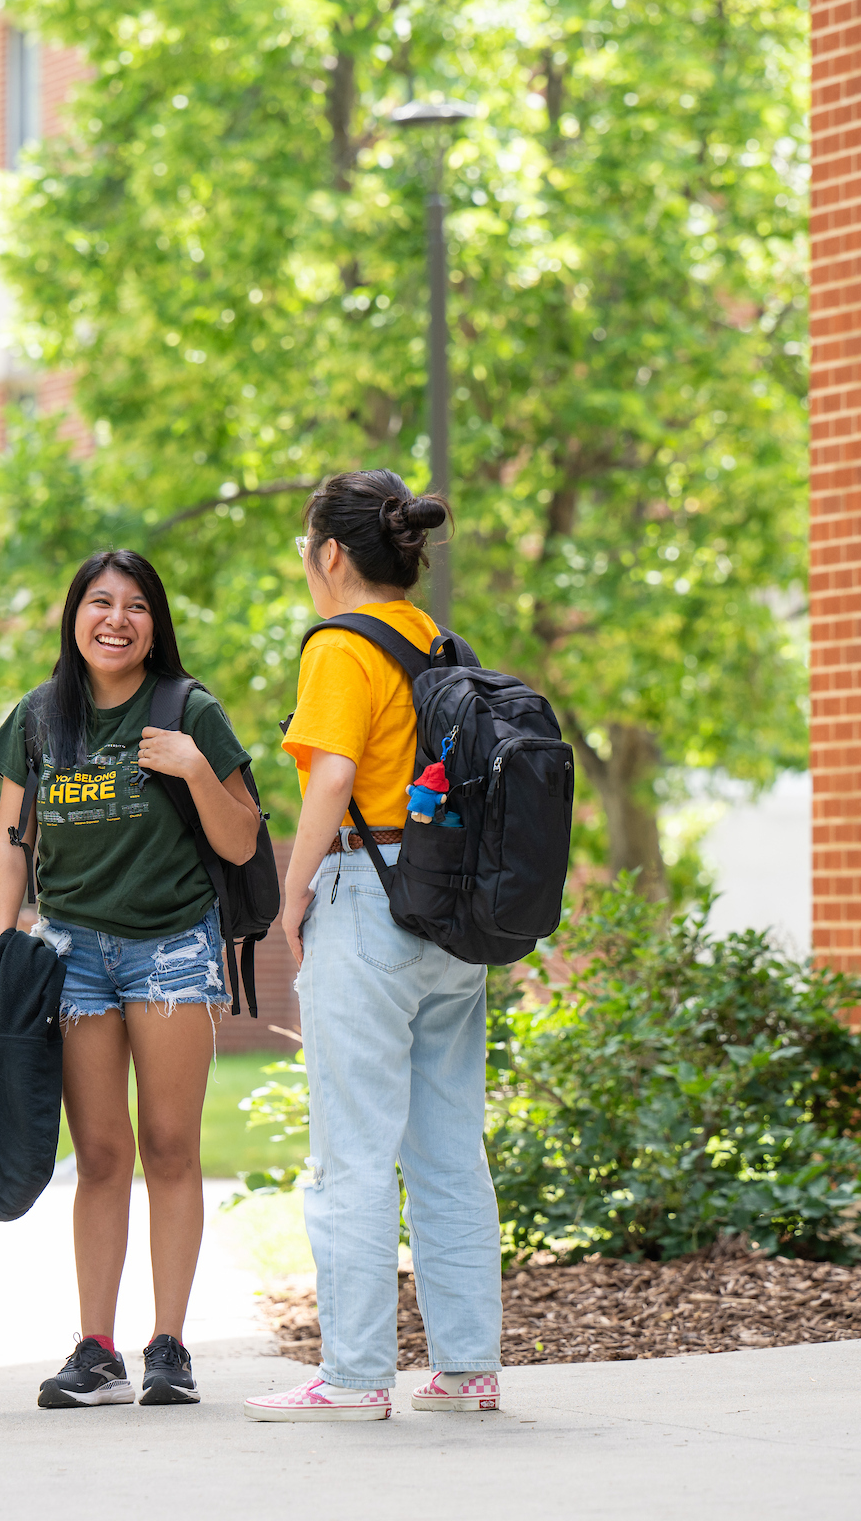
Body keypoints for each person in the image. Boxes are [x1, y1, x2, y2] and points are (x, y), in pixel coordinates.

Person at [242, 470, 505, 1423]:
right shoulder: (437, 641)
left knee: (350, 1154)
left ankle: (354, 1378)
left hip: (370, 897)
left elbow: (332, 778)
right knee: (450, 1152)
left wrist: (293, 890)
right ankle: (468, 1370)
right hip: (453, 914)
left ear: (329, 554)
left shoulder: (340, 645)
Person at [0, 549, 263, 1411]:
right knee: (100, 1155)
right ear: (75, 616)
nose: (116, 619)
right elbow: (11, 843)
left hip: (171, 948)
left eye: (136, 606)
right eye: (99, 602)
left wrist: (194, 766)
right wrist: (4, 948)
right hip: (70, 957)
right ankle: (96, 1351)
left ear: (155, 623)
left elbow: (243, 839)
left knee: (170, 1146)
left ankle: (168, 1346)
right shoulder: (38, 717)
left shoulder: (190, 709)